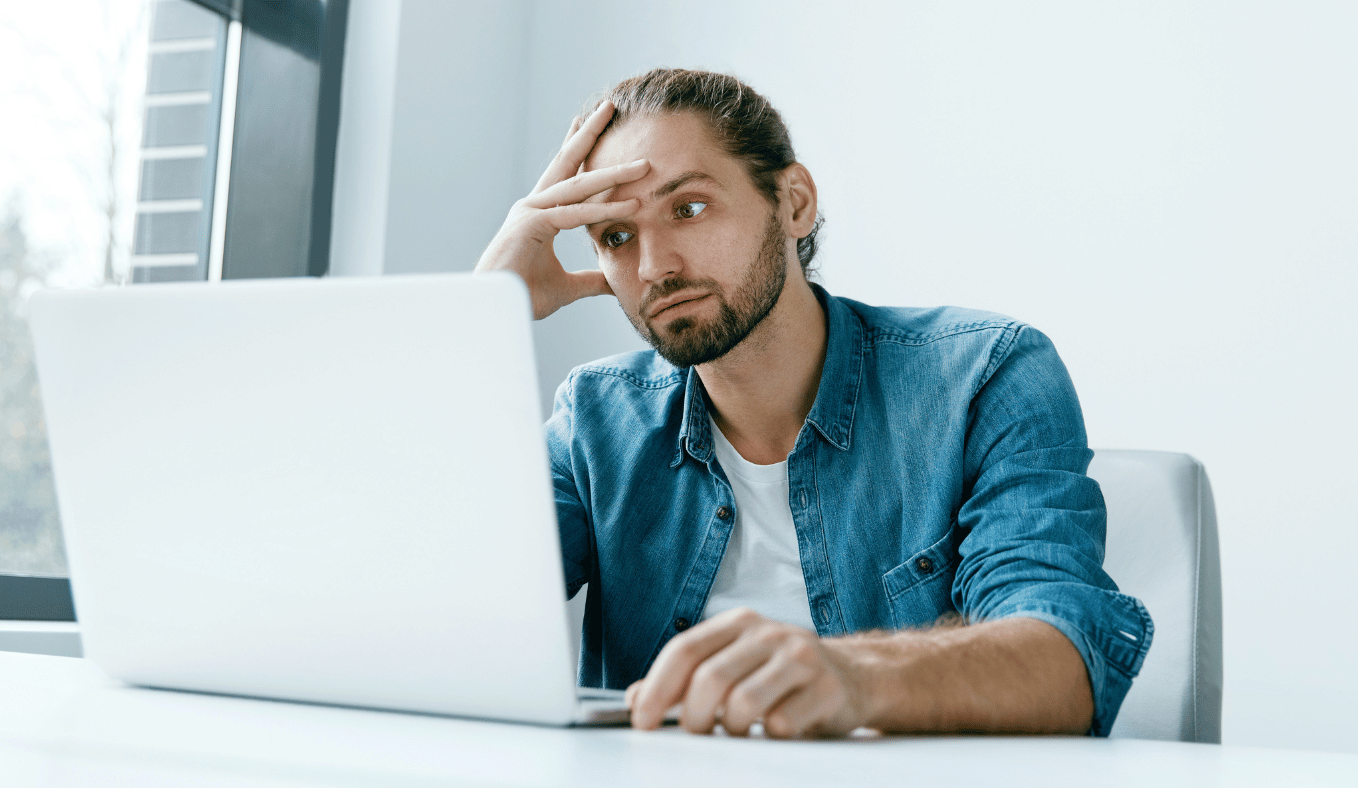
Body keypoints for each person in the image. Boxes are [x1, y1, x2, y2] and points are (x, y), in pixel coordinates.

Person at [476, 68, 1151, 739]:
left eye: (688, 208)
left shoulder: (985, 373)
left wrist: (851, 676)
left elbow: (1066, 663)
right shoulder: (598, 419)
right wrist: (481, 313)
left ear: (793, 202)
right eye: (617, 237)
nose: (654, 267)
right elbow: (429, 608)